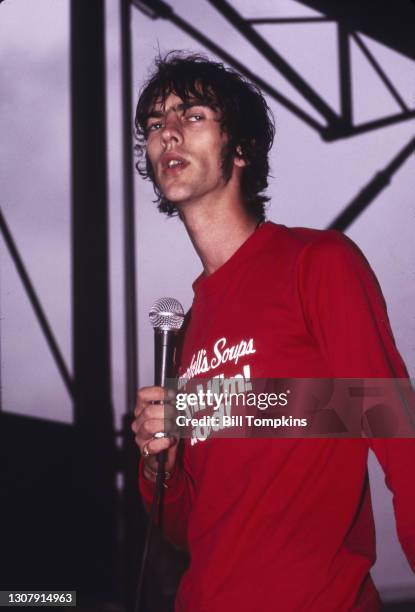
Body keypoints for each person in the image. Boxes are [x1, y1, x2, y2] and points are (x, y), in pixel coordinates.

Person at [131, 52, 415, 611]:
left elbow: (397, 432)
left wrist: (219, 408)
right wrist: (156, 466)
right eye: (155, 123)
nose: (168, 133)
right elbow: (188, 528)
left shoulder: (316, 262)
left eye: (191, 116)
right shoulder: (187, 332)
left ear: (240, 148)